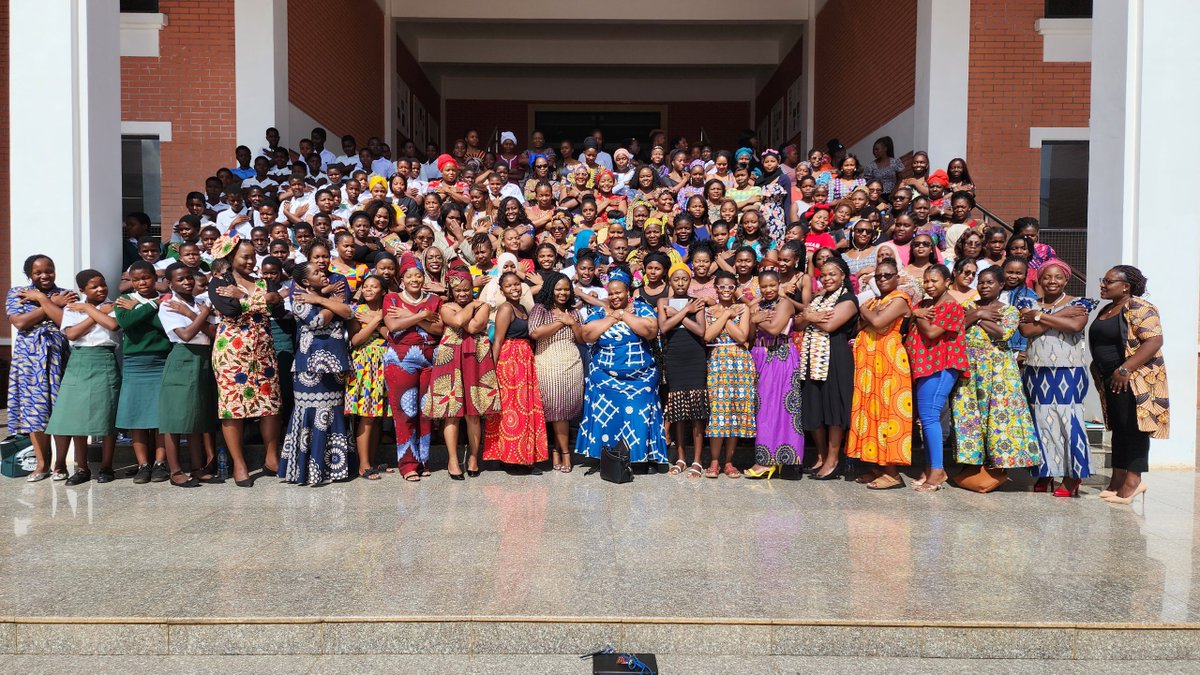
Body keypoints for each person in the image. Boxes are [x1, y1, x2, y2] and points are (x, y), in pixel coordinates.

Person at [208, 237, 285, 487]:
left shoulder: (264, 281)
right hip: (232, 354)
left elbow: (279, 309)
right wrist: (264, 299)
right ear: (231, 258)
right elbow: (230, 310)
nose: (251, 261)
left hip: (263, 352)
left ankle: (271, 459)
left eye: (253, 256)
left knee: (270, 405)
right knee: (233, 407)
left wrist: (244, 296)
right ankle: (240, 465)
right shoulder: (219, 282)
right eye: (245, 256)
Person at [1017, 260, 1098, 496]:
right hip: (1036, 371)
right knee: (1041, 421)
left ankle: (1073, 477)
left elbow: (1075, 326)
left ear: (1066, 279)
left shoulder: (1079, 303)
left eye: (1058, 277)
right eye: (1047, 277)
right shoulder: (1028, 303)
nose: (1052, 281)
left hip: (1068, 370)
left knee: (1069, 422)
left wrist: (1038, 317)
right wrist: (1059, 315)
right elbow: (1027, 331)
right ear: (1039, 280)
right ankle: (1045, 472)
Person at [1089, 265, 1169, 504]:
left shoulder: (1139, 306)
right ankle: (1118, 478)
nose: (1103, 284)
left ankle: (1134, 481)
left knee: (1134, 429)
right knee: (1120, 427)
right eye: (1103, 280)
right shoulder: (1108, 308)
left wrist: (1126, 369)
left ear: (1126, 286)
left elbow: (1154, 340)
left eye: (1108, 281)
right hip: (1111, 378)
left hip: (1133, 378)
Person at [952, 267, 1042, 478]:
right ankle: (972, 464)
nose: (984, 286)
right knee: (969, 414)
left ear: (1001, 285)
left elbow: (1002, 333)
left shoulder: (1009, 311)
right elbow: (956, 327)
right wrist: (978, 313)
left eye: (989, 282)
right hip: (969, 370)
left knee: (997, 416)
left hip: (998, 372)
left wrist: (977, 317)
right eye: (981, 282)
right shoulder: (967, 306)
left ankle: (997, 465)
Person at [577, 269, 669, 468]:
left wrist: (623, 315)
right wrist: (612, 318)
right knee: (608, 413)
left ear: (628, 292)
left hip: (640, 378)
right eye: (611, 293)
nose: (614, 297)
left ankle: (638, 457)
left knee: (637, 413)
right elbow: (587, 335)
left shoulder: (642, 308)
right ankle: (607, 455)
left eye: (618, 292)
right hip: (605, 376)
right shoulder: (600, 312)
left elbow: (650, 331)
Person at [278, 262, 354, 485]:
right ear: (305, 281)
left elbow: (349, 312)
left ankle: (334, 468)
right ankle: (308, 471)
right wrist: (333, 303)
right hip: (309, 367)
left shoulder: (322, 297)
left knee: (334, 412)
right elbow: (317, 321)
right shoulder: (298, 298)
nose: (323, 273)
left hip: (336, 364)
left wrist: (320, 300)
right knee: (312, 413)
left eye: (322, 271)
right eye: (316, 273)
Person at [45, 269, 120, 485]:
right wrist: (93, 312)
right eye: (94, 287)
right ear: (82, 290)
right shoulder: (72, 308)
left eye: (103, 284)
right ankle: (82, 467)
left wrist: (88, 309)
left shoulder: (113, 305)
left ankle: (106, 466)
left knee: (107, 415)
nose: (101, 289)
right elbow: (72, 333)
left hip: (104, 359)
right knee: (77, 418)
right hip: (79, 360)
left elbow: (112, 325)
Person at [425, 268, 501, 478]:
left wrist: (468, 309)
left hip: (476, 357)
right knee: (451, 413)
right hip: (450, 358)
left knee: (473, 413)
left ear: (472, 288)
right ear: (451, 290)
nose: (462, 293)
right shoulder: (446, 306)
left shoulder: (483, 306)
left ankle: (474, 457)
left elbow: (475, 327)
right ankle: (452, 459)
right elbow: (457, 322)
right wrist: (471, 306)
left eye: (466, 289)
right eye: (457, 290)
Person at [847, 260, 913, 489]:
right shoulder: (876, 301)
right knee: (871, 411)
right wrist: (869, 311)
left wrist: (862, 308)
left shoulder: (900, 299)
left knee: (887, 414)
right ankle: (878, 466)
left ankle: (893, 473)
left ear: (897, 278)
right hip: (871, 364)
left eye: (888, 275)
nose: (882, 279)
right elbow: (858, 326)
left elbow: (876, 322)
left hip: (888, 362)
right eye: (879, 276)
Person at [7, 254, 73, 481]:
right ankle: (42, 464)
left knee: (61, 412)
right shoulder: (17, 293)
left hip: (59, 359)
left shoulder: (67, 294)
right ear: (29, 275)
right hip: (29, 362)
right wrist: (51, 303)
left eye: (49, 270)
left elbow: (65, 322)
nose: (45, 275)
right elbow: (20, 322)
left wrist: (43, 300)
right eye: (38, 272)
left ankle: (60, 464)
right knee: (34, 413)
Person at [904, 265, 968, 493]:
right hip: (924, 367)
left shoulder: (951, 306)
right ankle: (930, 468)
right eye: (926, 281)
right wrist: (916, 312)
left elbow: (931, 332)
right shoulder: (925, 304)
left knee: (930, 417)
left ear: (947, 282)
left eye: (934, 281)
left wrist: (917, 315)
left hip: (940, 367)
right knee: (926, 418)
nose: (929, 285)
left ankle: (938, 471)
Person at [156, 263, 220, 487]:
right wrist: (202, 315)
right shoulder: (169, 306)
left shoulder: (201, 302)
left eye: (189, 278)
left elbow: (213, 333)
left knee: (197, 416)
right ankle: (175, 471)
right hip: (183, 358)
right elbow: (185, 334)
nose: (186, 282)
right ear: (170, 283)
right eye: (180, 279)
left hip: (204, 358)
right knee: (175, 418)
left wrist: (193, 313)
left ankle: (197, 467)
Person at [383, 254, 445, 481]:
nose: (415, 280)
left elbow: (438, 330)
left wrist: (412, 316)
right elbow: (393, 325)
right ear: (402, 279)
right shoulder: (391, 298)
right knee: (405, 411)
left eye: (418, 276)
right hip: (401, 360)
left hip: (429, 360)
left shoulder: (434, 300)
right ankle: (408, 464)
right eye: (409, 276)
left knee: (426, 412)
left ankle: (423, 460)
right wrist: (423, 316)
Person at [797, 258, 858, 479]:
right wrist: (809, 316)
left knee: (834, 410)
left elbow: (830, 325)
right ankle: (822, 456)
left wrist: (809, 316)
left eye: (832, 274)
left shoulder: (848, 299)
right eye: (823, 275)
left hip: (835, 357)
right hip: (813, 359)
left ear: (843, 276)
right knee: (815, 408)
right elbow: (797, 324)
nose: (827, 278)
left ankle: (833, 460)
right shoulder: (819, 298)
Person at [484, 272, 550, 471]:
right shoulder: (505, 308)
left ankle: (524, 456)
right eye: (508, 286)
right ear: (502, 290)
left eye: (516, 284)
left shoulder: (521, 307)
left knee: (525, 408)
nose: (514, 288)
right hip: (510, 361)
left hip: (524, 360)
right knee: (513, 410)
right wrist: (493, 371)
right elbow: (498, 341)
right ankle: (511, 458)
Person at [114, 260, 172, 484]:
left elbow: (164, 326)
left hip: (161, 361)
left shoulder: (166, 300)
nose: (142, 283)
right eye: (136, 280)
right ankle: (143, 464)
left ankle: (160, 463)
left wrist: (143, 309)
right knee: (136, 415)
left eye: (146, 278)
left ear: (155, 278)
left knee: (160, 415)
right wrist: (151, 306)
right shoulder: (125, 300)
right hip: (135, 364)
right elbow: (126, 322)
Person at [744, 270, 804, 479]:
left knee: (780, 409)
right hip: (760, 355)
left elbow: (775, 329)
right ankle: (767, 459)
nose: (768, 289)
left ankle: (775, 461)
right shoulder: (758, 306)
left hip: (780, 355)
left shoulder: (785, 304)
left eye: (772, 285)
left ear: (779, 284)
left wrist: (755, 319)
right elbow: (749, 335)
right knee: (763, 408)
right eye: (764, 286)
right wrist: (754, 319)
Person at [528, 272, 584, 472]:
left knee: (565, 411)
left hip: (572, 364)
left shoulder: (574, 312)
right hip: (548, 363)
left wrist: (572, 322)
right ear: (550, 290)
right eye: (558, 289)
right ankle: (564, 453)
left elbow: (581, 338)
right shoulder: (540, 309)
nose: (563, 293)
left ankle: (556, 451)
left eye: (566, 289)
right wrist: (561, 321)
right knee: (555, 409)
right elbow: (535, 332)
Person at [657, 263, 709, 478]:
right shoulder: (663, 302)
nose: (680, 283)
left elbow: (700, 330)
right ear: (670, 281)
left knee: (697, 411)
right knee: (677, 410)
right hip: (674, 357)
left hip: (694, 357)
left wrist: (680, 313)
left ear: (690, 281)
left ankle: (697, 460)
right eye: (676, 279)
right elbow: (664, 327)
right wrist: (686, 311)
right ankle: (680, 458)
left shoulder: (696, 302)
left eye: (684, 279)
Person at [703, 270, 755, 478]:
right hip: (718, 361)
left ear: (735, 289)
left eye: (730, 287)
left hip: (740, 363)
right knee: (718, 412)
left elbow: (742, 337)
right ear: (715, 288)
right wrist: (725, 314)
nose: (726, 290)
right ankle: (714, 461)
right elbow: (708, 335)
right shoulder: (708, 311)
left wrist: (722, 318)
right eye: (722, 287)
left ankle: (729, 462)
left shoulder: (743, 308)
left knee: (735, 412)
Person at [345, 275, 391, 480]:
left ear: (383, 291)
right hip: (364, 364)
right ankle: (363, 465)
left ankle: (372, 460)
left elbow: (391, 336)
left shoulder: (388, 311)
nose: (369, 289)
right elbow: (356, 340)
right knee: (367, 415)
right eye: (366, 286)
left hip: (385, 362)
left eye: (374, 286)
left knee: (378, 416)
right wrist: (375, 321)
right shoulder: (356, 311)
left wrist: (378, 319)